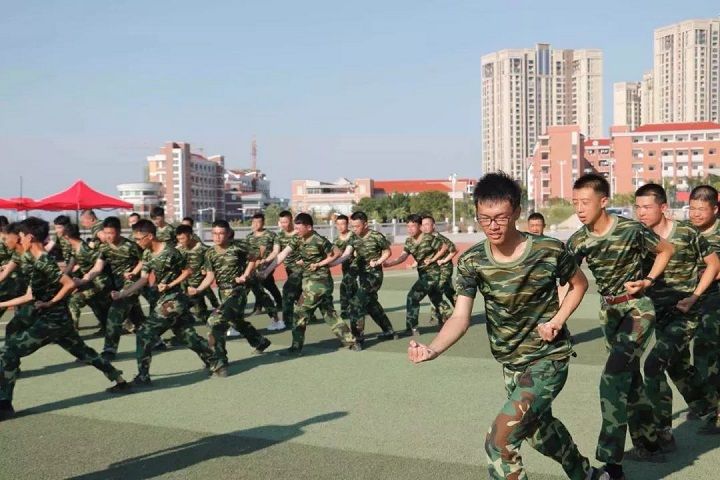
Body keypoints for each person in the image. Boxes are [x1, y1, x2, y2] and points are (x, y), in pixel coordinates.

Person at [408, 173, 607, 480]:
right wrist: (432, 349)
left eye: (501, 217)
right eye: (484, 218)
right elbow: (460, 317)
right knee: (539, 433)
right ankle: (587, 475)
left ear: (516, 212)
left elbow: (578, 284)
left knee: (499, 442)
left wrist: (557, 320)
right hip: (511, 363)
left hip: (548, 359)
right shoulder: (473, 261)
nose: (493, 226)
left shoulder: (548, 250)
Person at [567, 174, 674, 477]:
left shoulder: (630, 229)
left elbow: (667, 250)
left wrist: (648, 280)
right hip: (609, 313)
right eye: (575, 203)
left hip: (638, 308)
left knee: (612, 378)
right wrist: (556, 318)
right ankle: (650, 443)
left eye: (585, 202)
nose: (579, 209)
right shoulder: (578, 240)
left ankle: (612, 464)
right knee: (631, 378)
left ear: (603, 201)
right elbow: (568, 280)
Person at [0, 217, 130, 422]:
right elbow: (31, 294)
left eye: (21, 235)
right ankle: (120, 379)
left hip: (51, 321)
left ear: (29, 237)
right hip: (58, 320)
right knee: (84, 352)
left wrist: (50, 302)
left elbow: (68, 283)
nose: (18, 239)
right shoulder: (34, 258)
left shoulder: (43, 261)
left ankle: (4, 404)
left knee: (9, 352)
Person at [633, 183, 719, 448]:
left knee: (653, 365)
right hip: (659, 315)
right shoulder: (639, 236)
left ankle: (663, 432)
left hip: (686, 314)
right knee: (678, 368)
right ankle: (710, 409)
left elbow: (713, 264)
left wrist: (694, 296)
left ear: (663, 207)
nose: (641, 213)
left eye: (647, 207)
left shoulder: (686, 233)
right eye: (637, 207)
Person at [111, 220, 216, 384]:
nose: (137, 242)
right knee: (185, 335)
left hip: (174, 300)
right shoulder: (147, 253)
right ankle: (215, 359)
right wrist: (123, 293)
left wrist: (170, 284)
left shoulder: (171, 252)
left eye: (138, 238)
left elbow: (187, 271)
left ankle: (143, 376)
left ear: (149, 236)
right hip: (163, 299)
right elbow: (143, 279)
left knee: (144, 333)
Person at [261, 213, 360, 355]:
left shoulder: (318, 239)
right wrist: (266, 271)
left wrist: (321, 263)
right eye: (295, 228)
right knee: (329, 313)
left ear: (309, 227)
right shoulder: (297, 238)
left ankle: (296, 348)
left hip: (318, 282)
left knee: (299, 313)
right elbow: (282, 254)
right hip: (309, 281)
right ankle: (351, 341)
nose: (296, 231)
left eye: (299, 228)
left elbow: (337, 252)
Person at [188, 220, 271, 376]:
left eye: (221, 233)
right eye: (214, 233)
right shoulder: (210, 253)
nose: (217, 237)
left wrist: (245, 275)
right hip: (223, 292)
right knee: (235, 321)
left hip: (238, 291)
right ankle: (260, 341)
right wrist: (198, 289)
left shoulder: (237, 247)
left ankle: (220, 361)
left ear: (228, 234)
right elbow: (210, 276)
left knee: (216, 321)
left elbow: (255, 256)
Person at [83, 216, 145, 359]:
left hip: (131, 285)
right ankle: (156, 341)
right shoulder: (104, 247)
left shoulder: (130, 246)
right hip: (116, 286)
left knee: (115, 313)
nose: (108, 236)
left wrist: (134, 272)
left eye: (111, 233)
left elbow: (144, 260)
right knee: (136, 316)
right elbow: (98, 267)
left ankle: (109, 350)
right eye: (106, 233)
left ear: (118, 231)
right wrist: (84, 279)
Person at [686, 185, 720, 433]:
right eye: (692, 208)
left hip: (715, 300)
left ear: (715, 209)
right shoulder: (686, 232)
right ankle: (708, 402)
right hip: (692, 300)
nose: (696, 214)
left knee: (709, 352)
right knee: (698, 356)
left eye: (701, 209)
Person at [383, 214, 452, 335]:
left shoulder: (429, 238)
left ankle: (412, 328)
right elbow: (403, 256)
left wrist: (434, 259)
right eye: (408, 226)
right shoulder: (409, 241)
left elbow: (444, 247)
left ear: (420, 226)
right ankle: (453, 320)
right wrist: (390, 263)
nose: (410, 229)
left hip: (433, 274)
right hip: (423, 274)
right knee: (436, 299)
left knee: (412, 297)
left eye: (413, 226)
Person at [334, 211, 396, 343]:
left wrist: (378, 262)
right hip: (362, 276)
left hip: (374, 276)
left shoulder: (376, 236)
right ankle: (389, 331)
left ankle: (357, 337)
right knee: (371, 304)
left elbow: (387, 252)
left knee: (356, 302)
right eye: (352, 226)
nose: (354, 229)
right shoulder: (353, 237)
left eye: (357, 226)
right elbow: (346, 254)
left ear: (366, 224)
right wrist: (332, 263)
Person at [64, 224, 112, 332]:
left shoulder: (84, 249)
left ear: (67, 237)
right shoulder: (75, 248)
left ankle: (72, 331)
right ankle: (106, 326)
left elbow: (102, 260)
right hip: (89, 282)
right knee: (94, 303)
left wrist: (87, 277)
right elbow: (71, 265)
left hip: (99, 283)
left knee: (74, 300)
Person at [263, 210, 299, 330]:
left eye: (286, 222)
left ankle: (287, 321)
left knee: (288, 291)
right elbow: (275, 252)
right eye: (281, 222)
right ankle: (308, 315)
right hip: (289, 269)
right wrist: (266, 261)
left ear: (291, 220)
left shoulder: (299, 233)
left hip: (301, 269)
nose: (283, 225)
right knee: (298, 293)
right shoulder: (279, 236)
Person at [246, 213, 282, 329]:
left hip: (267, 265)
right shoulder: (249, 237)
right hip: (253, 266)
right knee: (264, 285)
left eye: (259, 222)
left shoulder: (271, 235)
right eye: (254, 222)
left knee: (263, 284)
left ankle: (264, 306)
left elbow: (276, 251)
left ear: (263, 223)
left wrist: (266, 261)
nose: (256, 224)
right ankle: (265, 305)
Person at [420, 214, 457, 323]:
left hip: (445, 268)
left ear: (433, 226)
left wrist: (444, 260)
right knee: (448, 291)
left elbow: (454, 250)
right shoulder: (426, 239)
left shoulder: (440, 238)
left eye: (427, 224)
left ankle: (450, 315)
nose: (424, 227)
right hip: (434, 270)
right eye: (422, 225)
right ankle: (438, 316)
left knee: (436, 289)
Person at [332, 214, 358, 321]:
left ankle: (345, 311)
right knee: (352, 287)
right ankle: (358, 307)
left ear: (347, 225)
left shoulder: (353, 236)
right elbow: (333, 253)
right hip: (345, 265)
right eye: (338, 224)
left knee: (345, 285)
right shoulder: (336, 240)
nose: (340, 226)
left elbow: (349, 253)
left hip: (355, 265)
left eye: (343, 224)